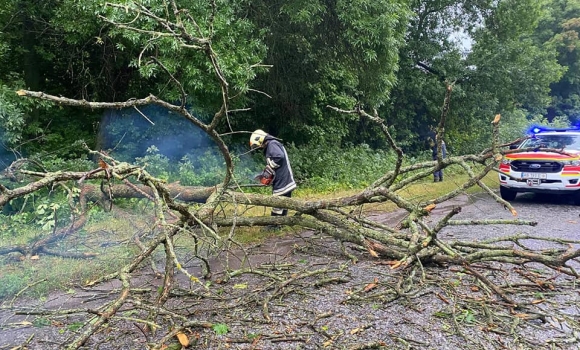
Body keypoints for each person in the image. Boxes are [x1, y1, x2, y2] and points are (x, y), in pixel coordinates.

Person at [249, 129, 296, 217]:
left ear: (260, 140)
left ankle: (274, 224)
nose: (260, 147)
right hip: (284, 178)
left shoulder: (272, 144)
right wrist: (264, 174)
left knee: (277, 201)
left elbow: (279, 157)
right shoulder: (272, 144)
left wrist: (270, 166)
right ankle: (282, 222)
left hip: (282, 179)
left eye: (258, 145)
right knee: (284, 202)